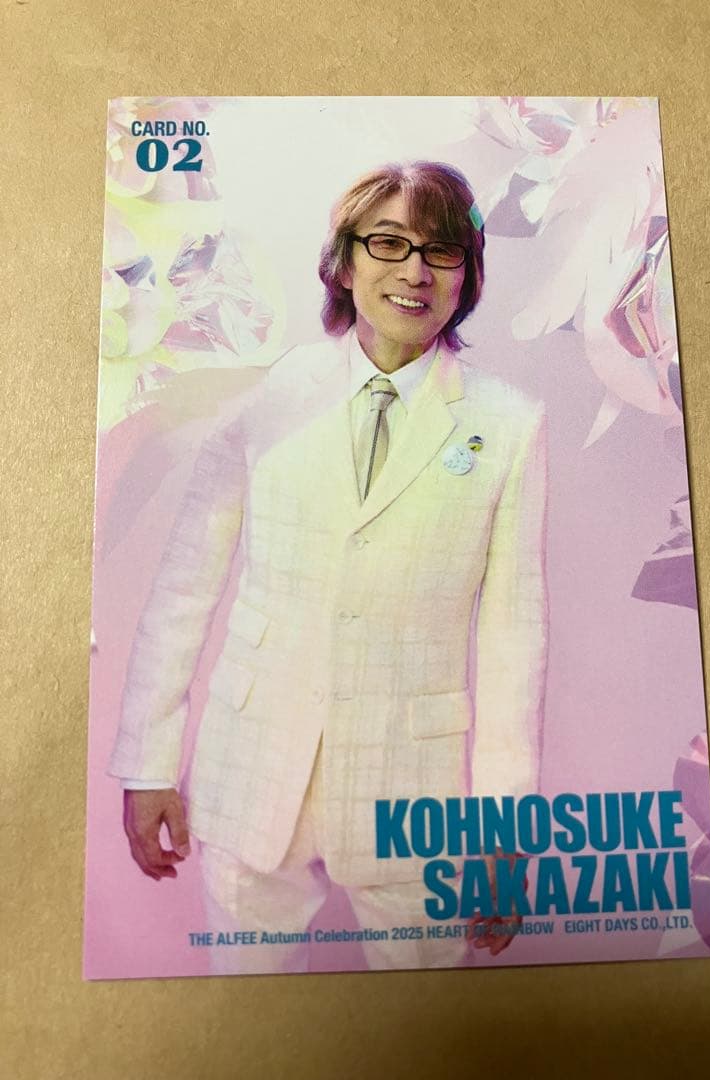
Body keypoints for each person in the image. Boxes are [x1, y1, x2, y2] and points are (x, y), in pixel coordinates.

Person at [109, 161, 549, 972]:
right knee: (252, 1021)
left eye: (442, 250)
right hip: (250, 773)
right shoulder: (266, 392)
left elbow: (513, 641)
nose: (414, 271)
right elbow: (184, 586)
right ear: (345, 263)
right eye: (388, 243)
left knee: (425, 1026)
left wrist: (504, 831)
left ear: (467, 276)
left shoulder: (510, 426)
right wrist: (147, 762)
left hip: (413, 801)